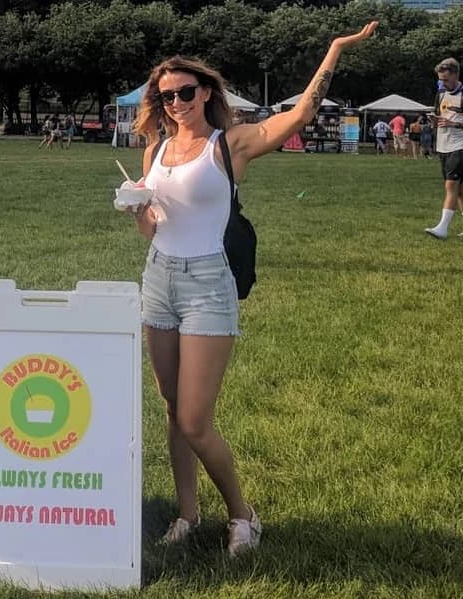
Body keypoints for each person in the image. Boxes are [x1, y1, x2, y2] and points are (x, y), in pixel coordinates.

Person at [128, 21, 377, 557]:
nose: (175, 102)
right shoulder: (156, 151)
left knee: (195, 418)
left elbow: (300, 115)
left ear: (207, 93)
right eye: (166, 95)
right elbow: (151, 227)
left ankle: (242, 515)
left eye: (185, 92)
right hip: (158, 280)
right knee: (172, 408)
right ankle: (188, 514)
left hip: (207, 284)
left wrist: (334, 48)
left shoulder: (229, 144)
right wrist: (137, 209)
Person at [424, 57, 463, 240]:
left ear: (456, 75)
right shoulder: (440, 94)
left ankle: (442, 228)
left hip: (460, 144)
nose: (442, 83)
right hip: (443, 144)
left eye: (446, 79)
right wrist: (434, 121)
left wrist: (454, 124)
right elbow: (439, 114)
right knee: (460, 190)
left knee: (451, 184)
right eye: (440, 79)